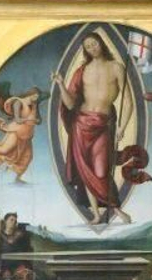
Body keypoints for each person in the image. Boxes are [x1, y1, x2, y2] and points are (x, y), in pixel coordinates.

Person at [53, 34, 136, 225]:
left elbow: (128, 100)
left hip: (103, 124)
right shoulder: (82, 71)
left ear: (101, 43)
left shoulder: (116, 67)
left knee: (101, 171)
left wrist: (122, 126)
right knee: (86, 171)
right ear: (85, 50)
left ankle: (116, 209)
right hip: (81, 124)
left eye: (94, 43)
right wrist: (60, 84)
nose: (92, 48)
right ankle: (97, 215)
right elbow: (70, 103)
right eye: (88, 46)